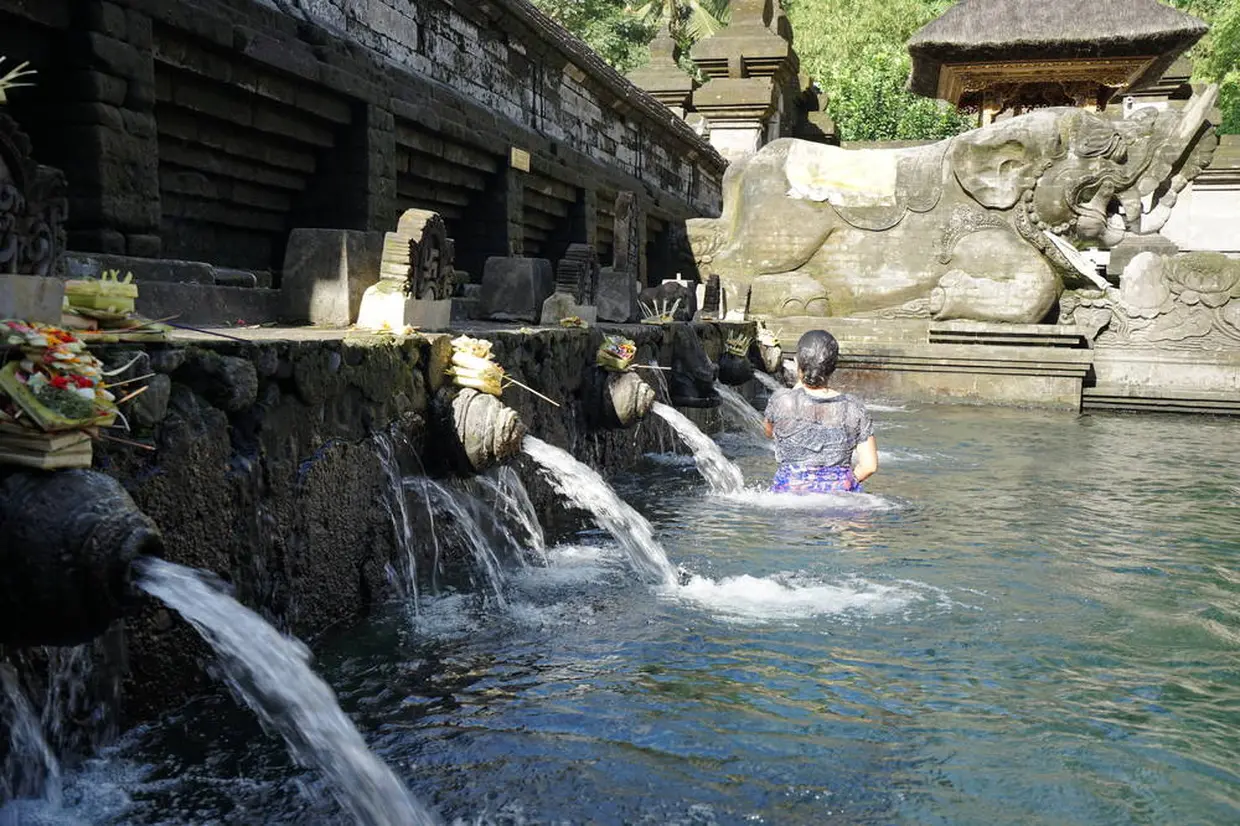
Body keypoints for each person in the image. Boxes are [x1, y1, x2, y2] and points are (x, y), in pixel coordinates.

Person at [762, 329, 878, 493]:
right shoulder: (853, 408)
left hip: (790, 491)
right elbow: (869, 466)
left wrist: (800, 380)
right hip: (838, 495)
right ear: (833, 367)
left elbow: (770, 432)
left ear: (798, 363)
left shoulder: (782, 401)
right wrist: (841, 484)